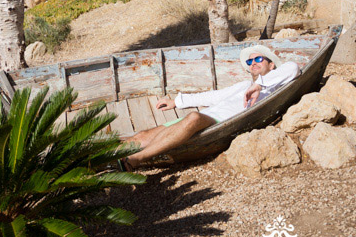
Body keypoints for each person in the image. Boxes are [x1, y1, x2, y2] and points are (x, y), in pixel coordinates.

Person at [117, 45, 300, 171]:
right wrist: (178, 102)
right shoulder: (244, 84)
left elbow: (293, 68)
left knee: (194, 117)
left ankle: (135, 160)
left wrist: (259, 86)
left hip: (220, 122)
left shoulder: (276, 86)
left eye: (259, 59)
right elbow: (214, 96)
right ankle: (99, 160)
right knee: (142, 136)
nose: (253, 63)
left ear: (272, 64)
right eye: (250, 62)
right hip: (204, 116)